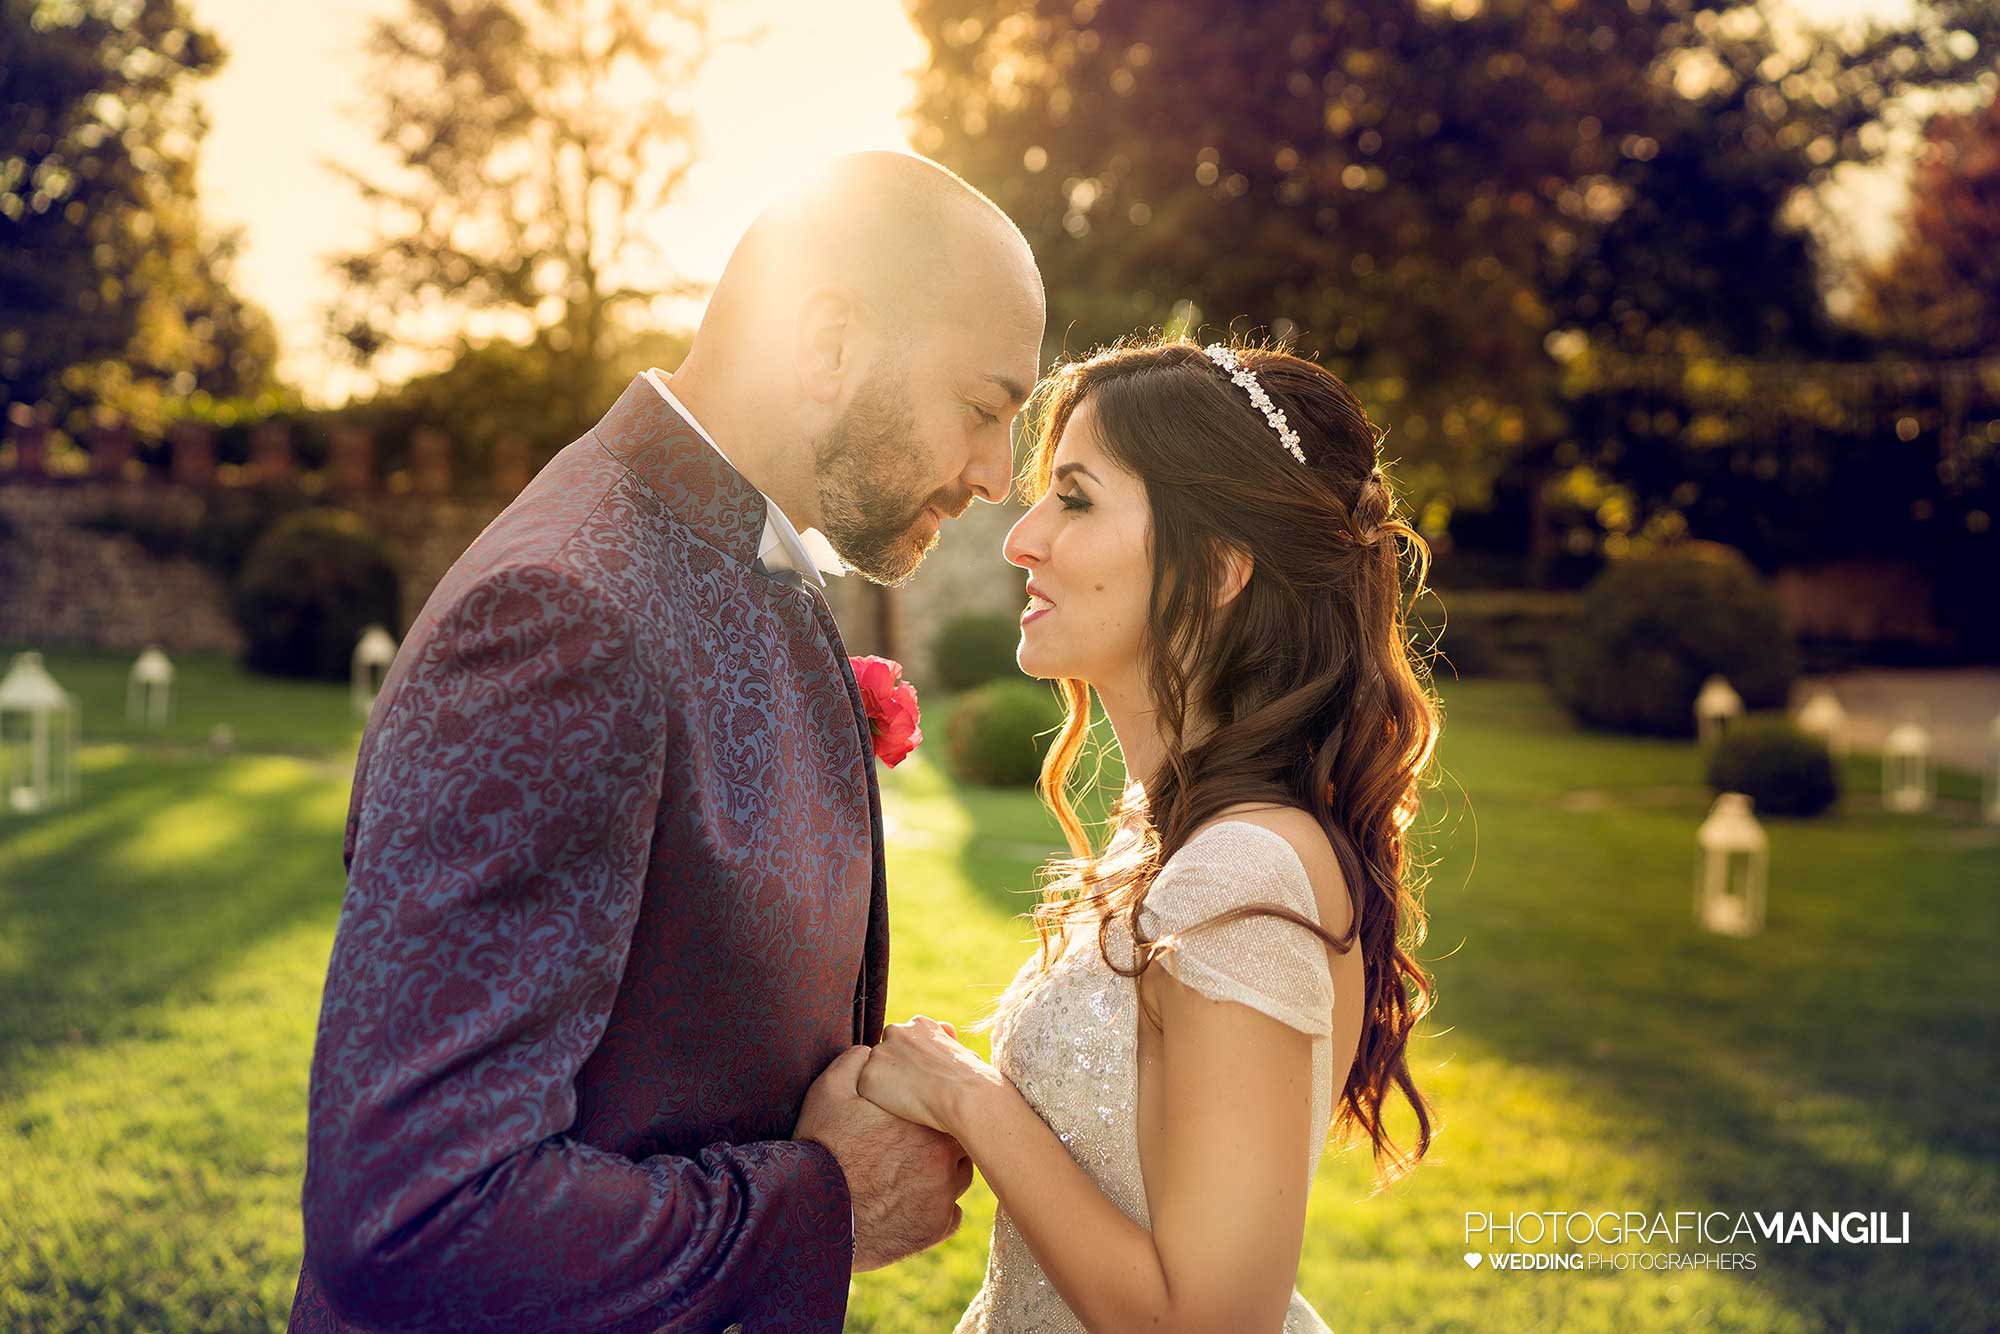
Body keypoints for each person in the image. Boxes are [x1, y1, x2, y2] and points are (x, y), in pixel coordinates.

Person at [286, 150, 1046, 1332]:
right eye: (985, 408)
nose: (999, 474)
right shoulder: (562, 613)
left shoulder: (744, 558)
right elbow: (415, 1215)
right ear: (830, 343)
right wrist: (825, 1199)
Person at [855, 336, 1442, 1331]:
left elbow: (1205, 1320)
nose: (1020, 537)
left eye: (1074, 498)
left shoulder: (1243, 867)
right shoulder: (1174, 842)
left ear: (1215, 566)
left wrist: (971, 1100)